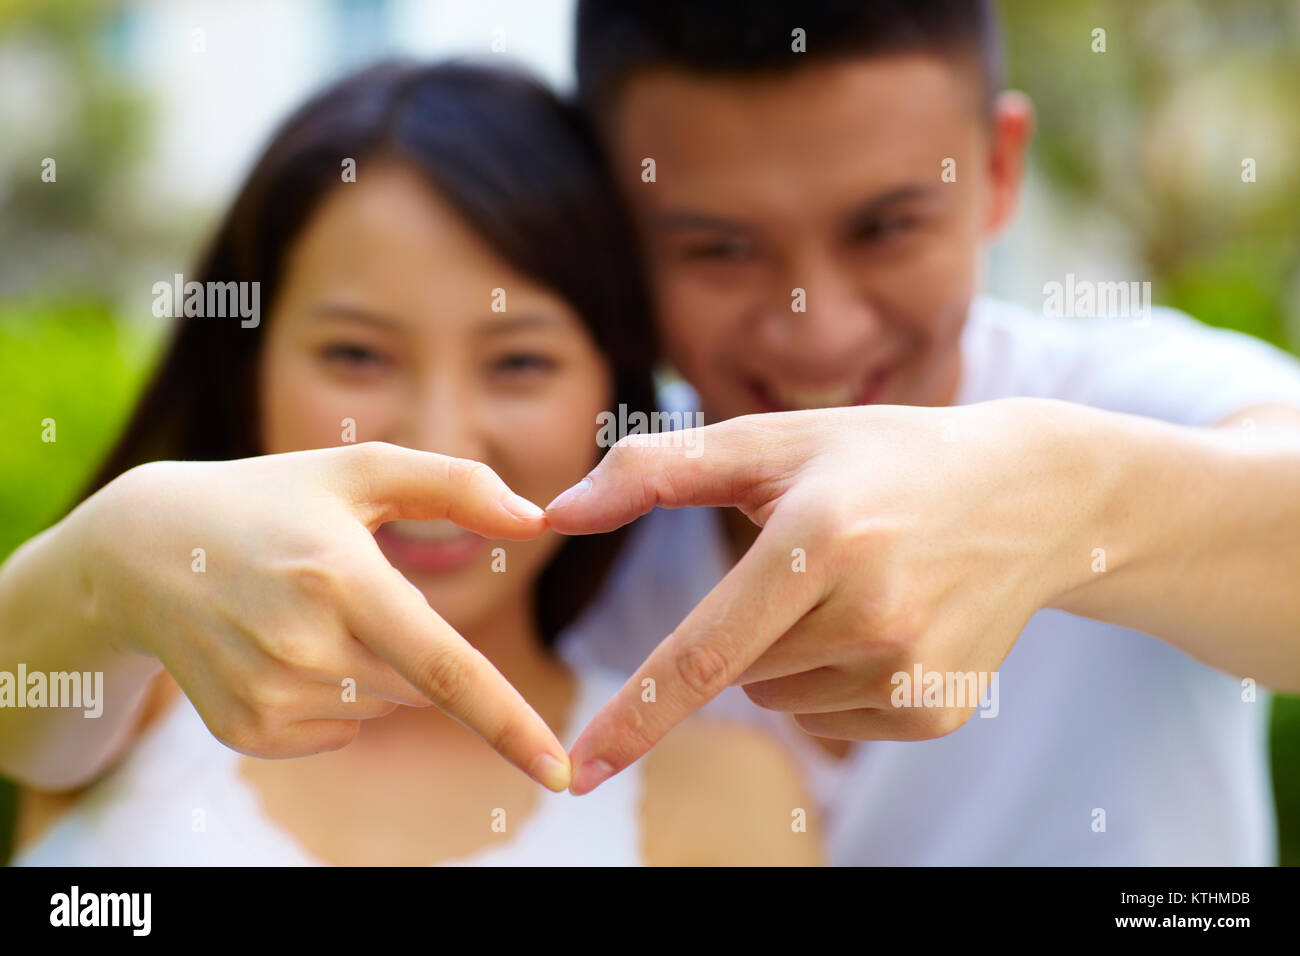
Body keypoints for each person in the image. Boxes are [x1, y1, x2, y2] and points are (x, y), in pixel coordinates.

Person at [2, 61, 820, 866]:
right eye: (357, 353)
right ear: (247, 365)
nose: (440, 446)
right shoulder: (131, 679)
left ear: (616, 391)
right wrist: (113, 556)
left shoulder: (717, 793)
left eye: (520, 363)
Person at [544, 0, 1300, 864]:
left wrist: (1066, 506)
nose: (817, 329)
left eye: (885, 230)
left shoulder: (1130, 393)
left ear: (1000, 167)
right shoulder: (573, 517)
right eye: (718, 249)